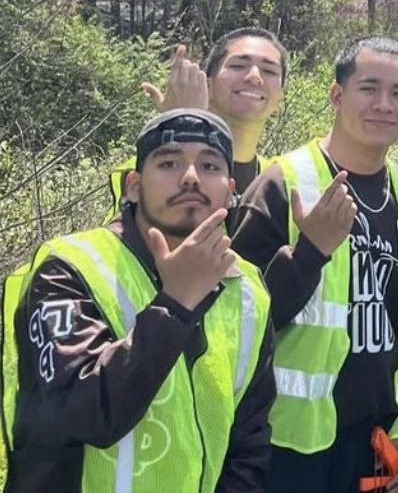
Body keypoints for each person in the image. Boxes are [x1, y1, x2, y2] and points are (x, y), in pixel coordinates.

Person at [2, 109, 275, 492]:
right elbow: (85, 414)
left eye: (209, 165)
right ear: (133, 186)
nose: (191, 176)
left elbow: (248, 439)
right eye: (169, 162)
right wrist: (175, 304)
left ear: (230, 193)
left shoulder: (247, 289)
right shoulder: (70, 268)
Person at [232, 37, 398, 493]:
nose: (384, 105)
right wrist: (309, 253)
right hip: (287, 443)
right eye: (369, 88)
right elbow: (237, 322)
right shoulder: (284, 183)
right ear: (337, 95)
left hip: (380, 436)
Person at [110, 28, 288, 212]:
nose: (254, 77)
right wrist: (181, 127)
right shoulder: (150, 164)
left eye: (269, 70)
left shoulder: (283, 180)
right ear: (207, 85)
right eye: (238, 66)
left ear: (281, 97)